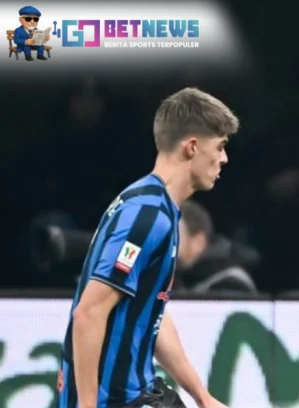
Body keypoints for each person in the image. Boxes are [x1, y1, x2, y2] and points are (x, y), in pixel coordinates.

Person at [57, 87, 239, 408]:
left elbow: (149, 313)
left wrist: (203, 397)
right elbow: (89, 313)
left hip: (142, 391)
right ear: (192, 147)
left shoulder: (158, 209)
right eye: (220, 146)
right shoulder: (146, 216)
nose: (224, 158)